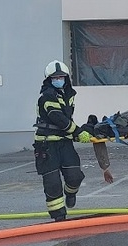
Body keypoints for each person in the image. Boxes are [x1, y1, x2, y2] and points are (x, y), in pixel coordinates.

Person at [33, 60, 92, 222]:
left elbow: (67, 119)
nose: (58, 80)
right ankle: (59, 218)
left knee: (75, 176)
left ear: (66, 78)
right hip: (46, 145)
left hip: (65, 142)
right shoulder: (47, 96)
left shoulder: (68, 95)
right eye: (55, 78)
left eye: (61, 77)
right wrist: (77, 132)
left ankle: (70, 193)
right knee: (52, 184)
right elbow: (58, 118)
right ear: (49, 79)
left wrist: (78, 134)